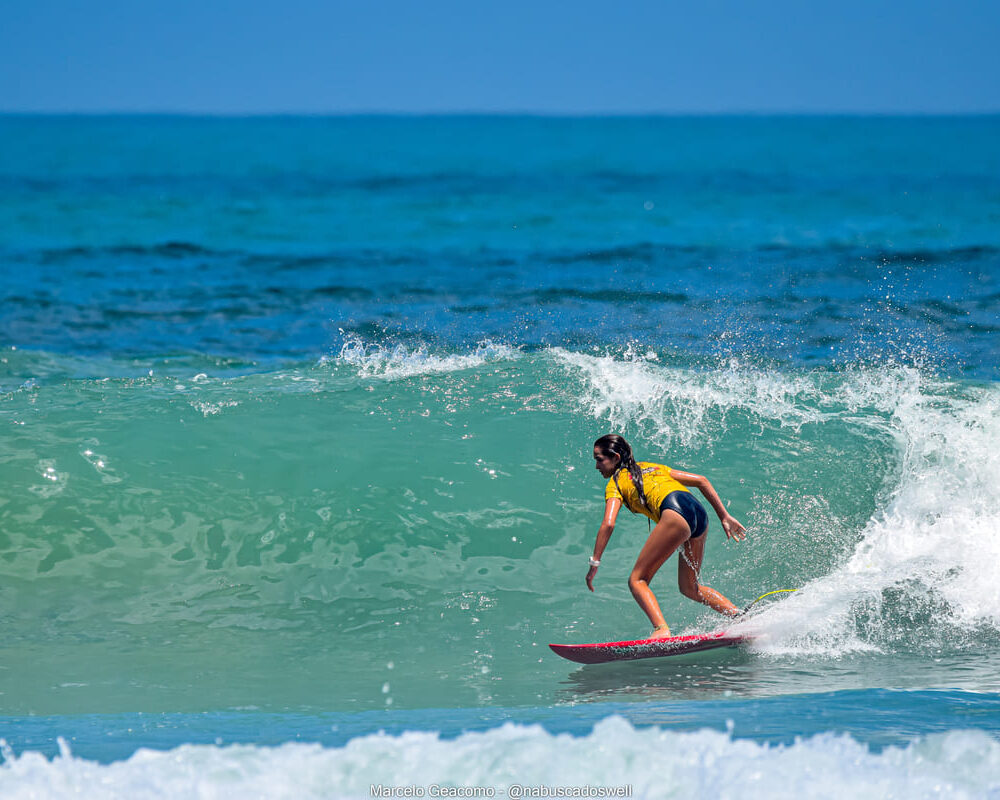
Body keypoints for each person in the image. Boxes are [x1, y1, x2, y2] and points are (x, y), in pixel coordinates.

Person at [586, 433, 746, 639]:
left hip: (674, 511)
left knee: (637, 580)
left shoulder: (615, 483)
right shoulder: (651, 467)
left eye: (599, 460)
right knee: (690, 588)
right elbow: (702, 481)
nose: (597, 466)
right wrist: (724, 516)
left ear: (616, 458)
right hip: (698, 512)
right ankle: (738, 616)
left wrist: (595, 563)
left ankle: (661, 630)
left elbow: (608, 524)